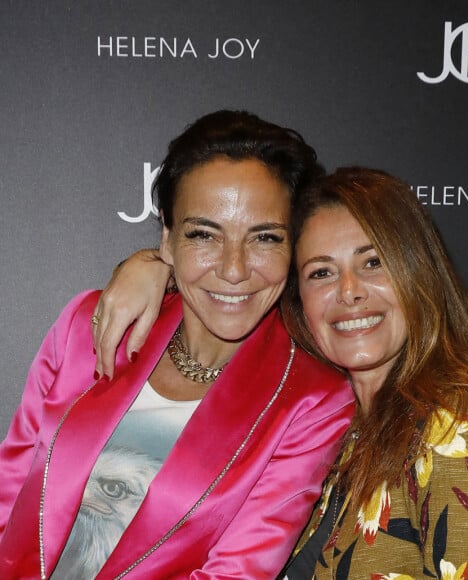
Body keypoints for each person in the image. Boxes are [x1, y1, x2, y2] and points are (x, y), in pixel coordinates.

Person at [93, 167, 468, 578]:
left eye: (373, 262)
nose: (349, 292)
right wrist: (155, 265)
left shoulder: (460, 424)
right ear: (298, 296)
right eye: (321, 272)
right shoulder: (327, 420)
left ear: (418, 271)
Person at [0, 111, 355, 579]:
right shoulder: (89, 324)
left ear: (295, 248)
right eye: (203, 234)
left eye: (265, 237)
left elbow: (236, 573)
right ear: (167, 237)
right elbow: (10, 492)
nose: (234, 269)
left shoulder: (313, 401)